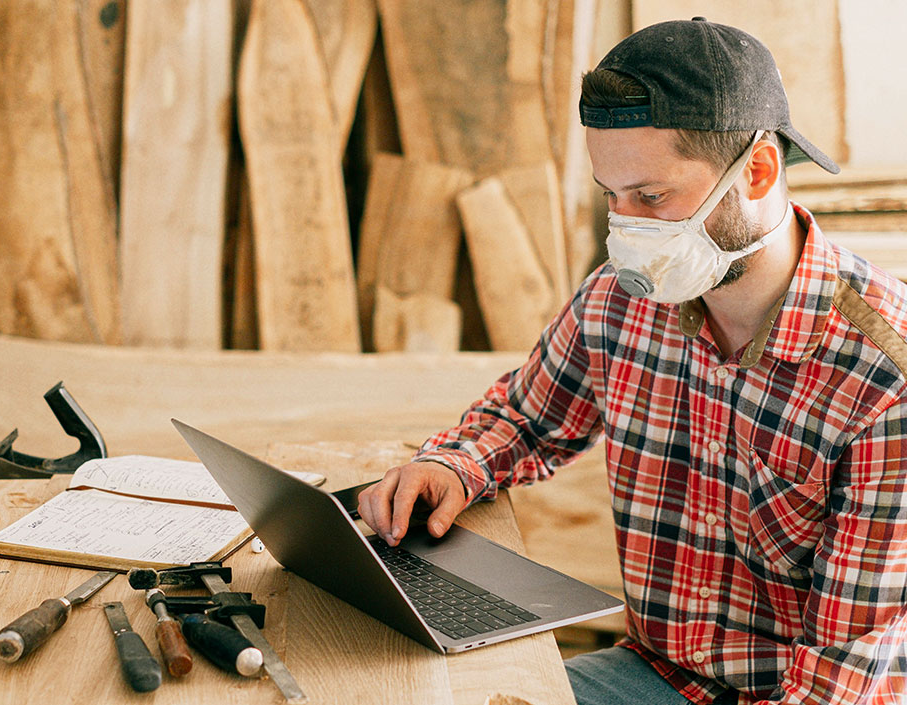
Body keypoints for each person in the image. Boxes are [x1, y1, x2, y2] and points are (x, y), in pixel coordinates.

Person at [357, 17, 907, 705]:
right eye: (611, 198)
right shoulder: (622, 302)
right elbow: (525, 420)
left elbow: (839, 678)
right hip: (655, 672)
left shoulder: (885, 381)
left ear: (760, 170)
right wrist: (452, 465)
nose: (629, 230)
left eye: (651, 197)